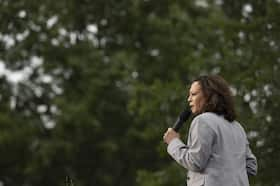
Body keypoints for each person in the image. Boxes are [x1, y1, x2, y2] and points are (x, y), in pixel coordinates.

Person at [163, 75, 257, 186]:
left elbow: (195, 162)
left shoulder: (203, 121)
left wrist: (173, 142)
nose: (189, 99)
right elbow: (251, 166)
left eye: (193, 94)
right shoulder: (237, 127)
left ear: (209, 95)